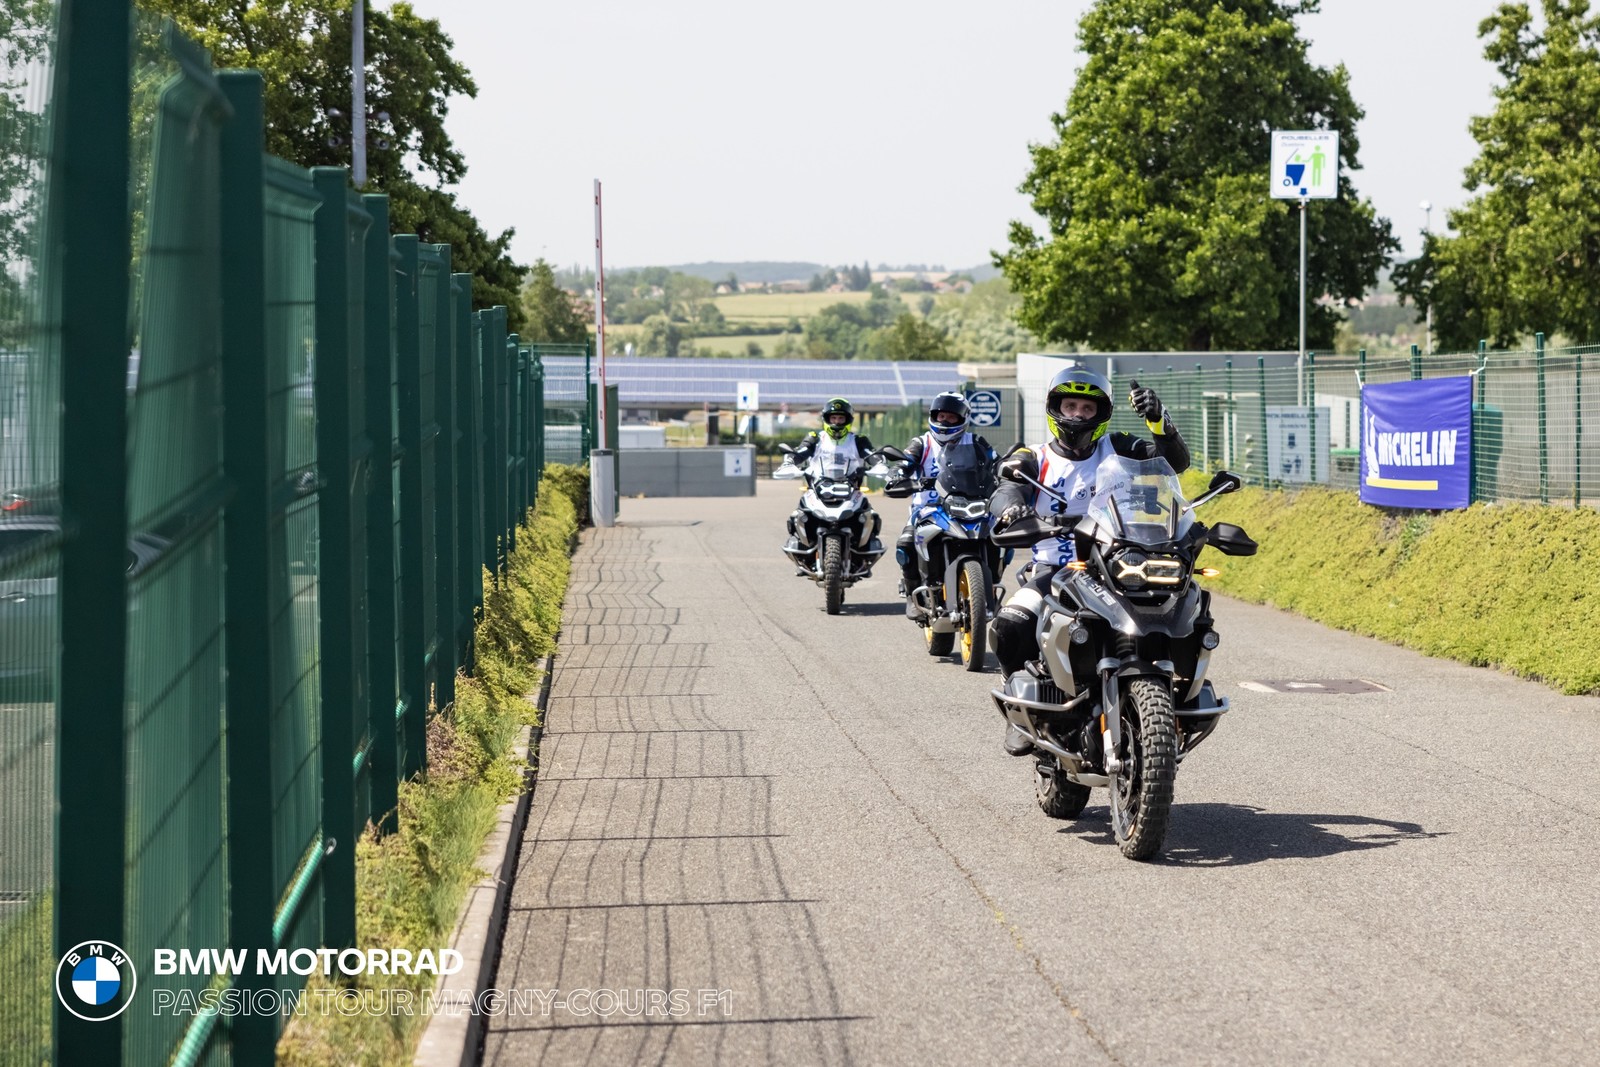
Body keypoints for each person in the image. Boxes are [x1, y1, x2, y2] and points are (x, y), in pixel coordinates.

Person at [988, 367, 1190, 756]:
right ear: (1055, 408)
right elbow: (1007, 487)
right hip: (1055, 571)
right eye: (1071, 405)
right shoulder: (1034, 455)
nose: (1078, 414)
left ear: (1100, 414)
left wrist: (1158, 421)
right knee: (1010, 626)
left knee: (1185, 608)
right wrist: (1012, 509)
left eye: (1086, 407)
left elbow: (1174, 464)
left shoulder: (1117, 446)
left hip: (1117, 566)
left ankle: (1176, 699)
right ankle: (1020, 709)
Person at [885, 391, 998, 620]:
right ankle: (912, 595)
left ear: (963, 418)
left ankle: (992, 583)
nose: (944, 421)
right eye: (941, 416)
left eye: (951, 417)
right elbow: (905, 462)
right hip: (928, 507)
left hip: (971, 503)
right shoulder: (922, 442)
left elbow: (996, 461)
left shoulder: (975, 442)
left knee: (998, 533)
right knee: (906, 543)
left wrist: (1006, 470)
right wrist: (897, 473)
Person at [785, 397, 881, 567]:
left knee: (870, 516)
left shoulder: (858, 440)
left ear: (848, 420)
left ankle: (863, 552)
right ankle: (803, 549)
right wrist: (790, 462)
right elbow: (801, 451)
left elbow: (872, 455)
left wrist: (880, 465)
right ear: (827, 419)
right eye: (833, 418)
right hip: (818, 489)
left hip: (851, 490)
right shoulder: (815, 438)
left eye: (841, 418)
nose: (837, 422)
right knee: (799, 514)